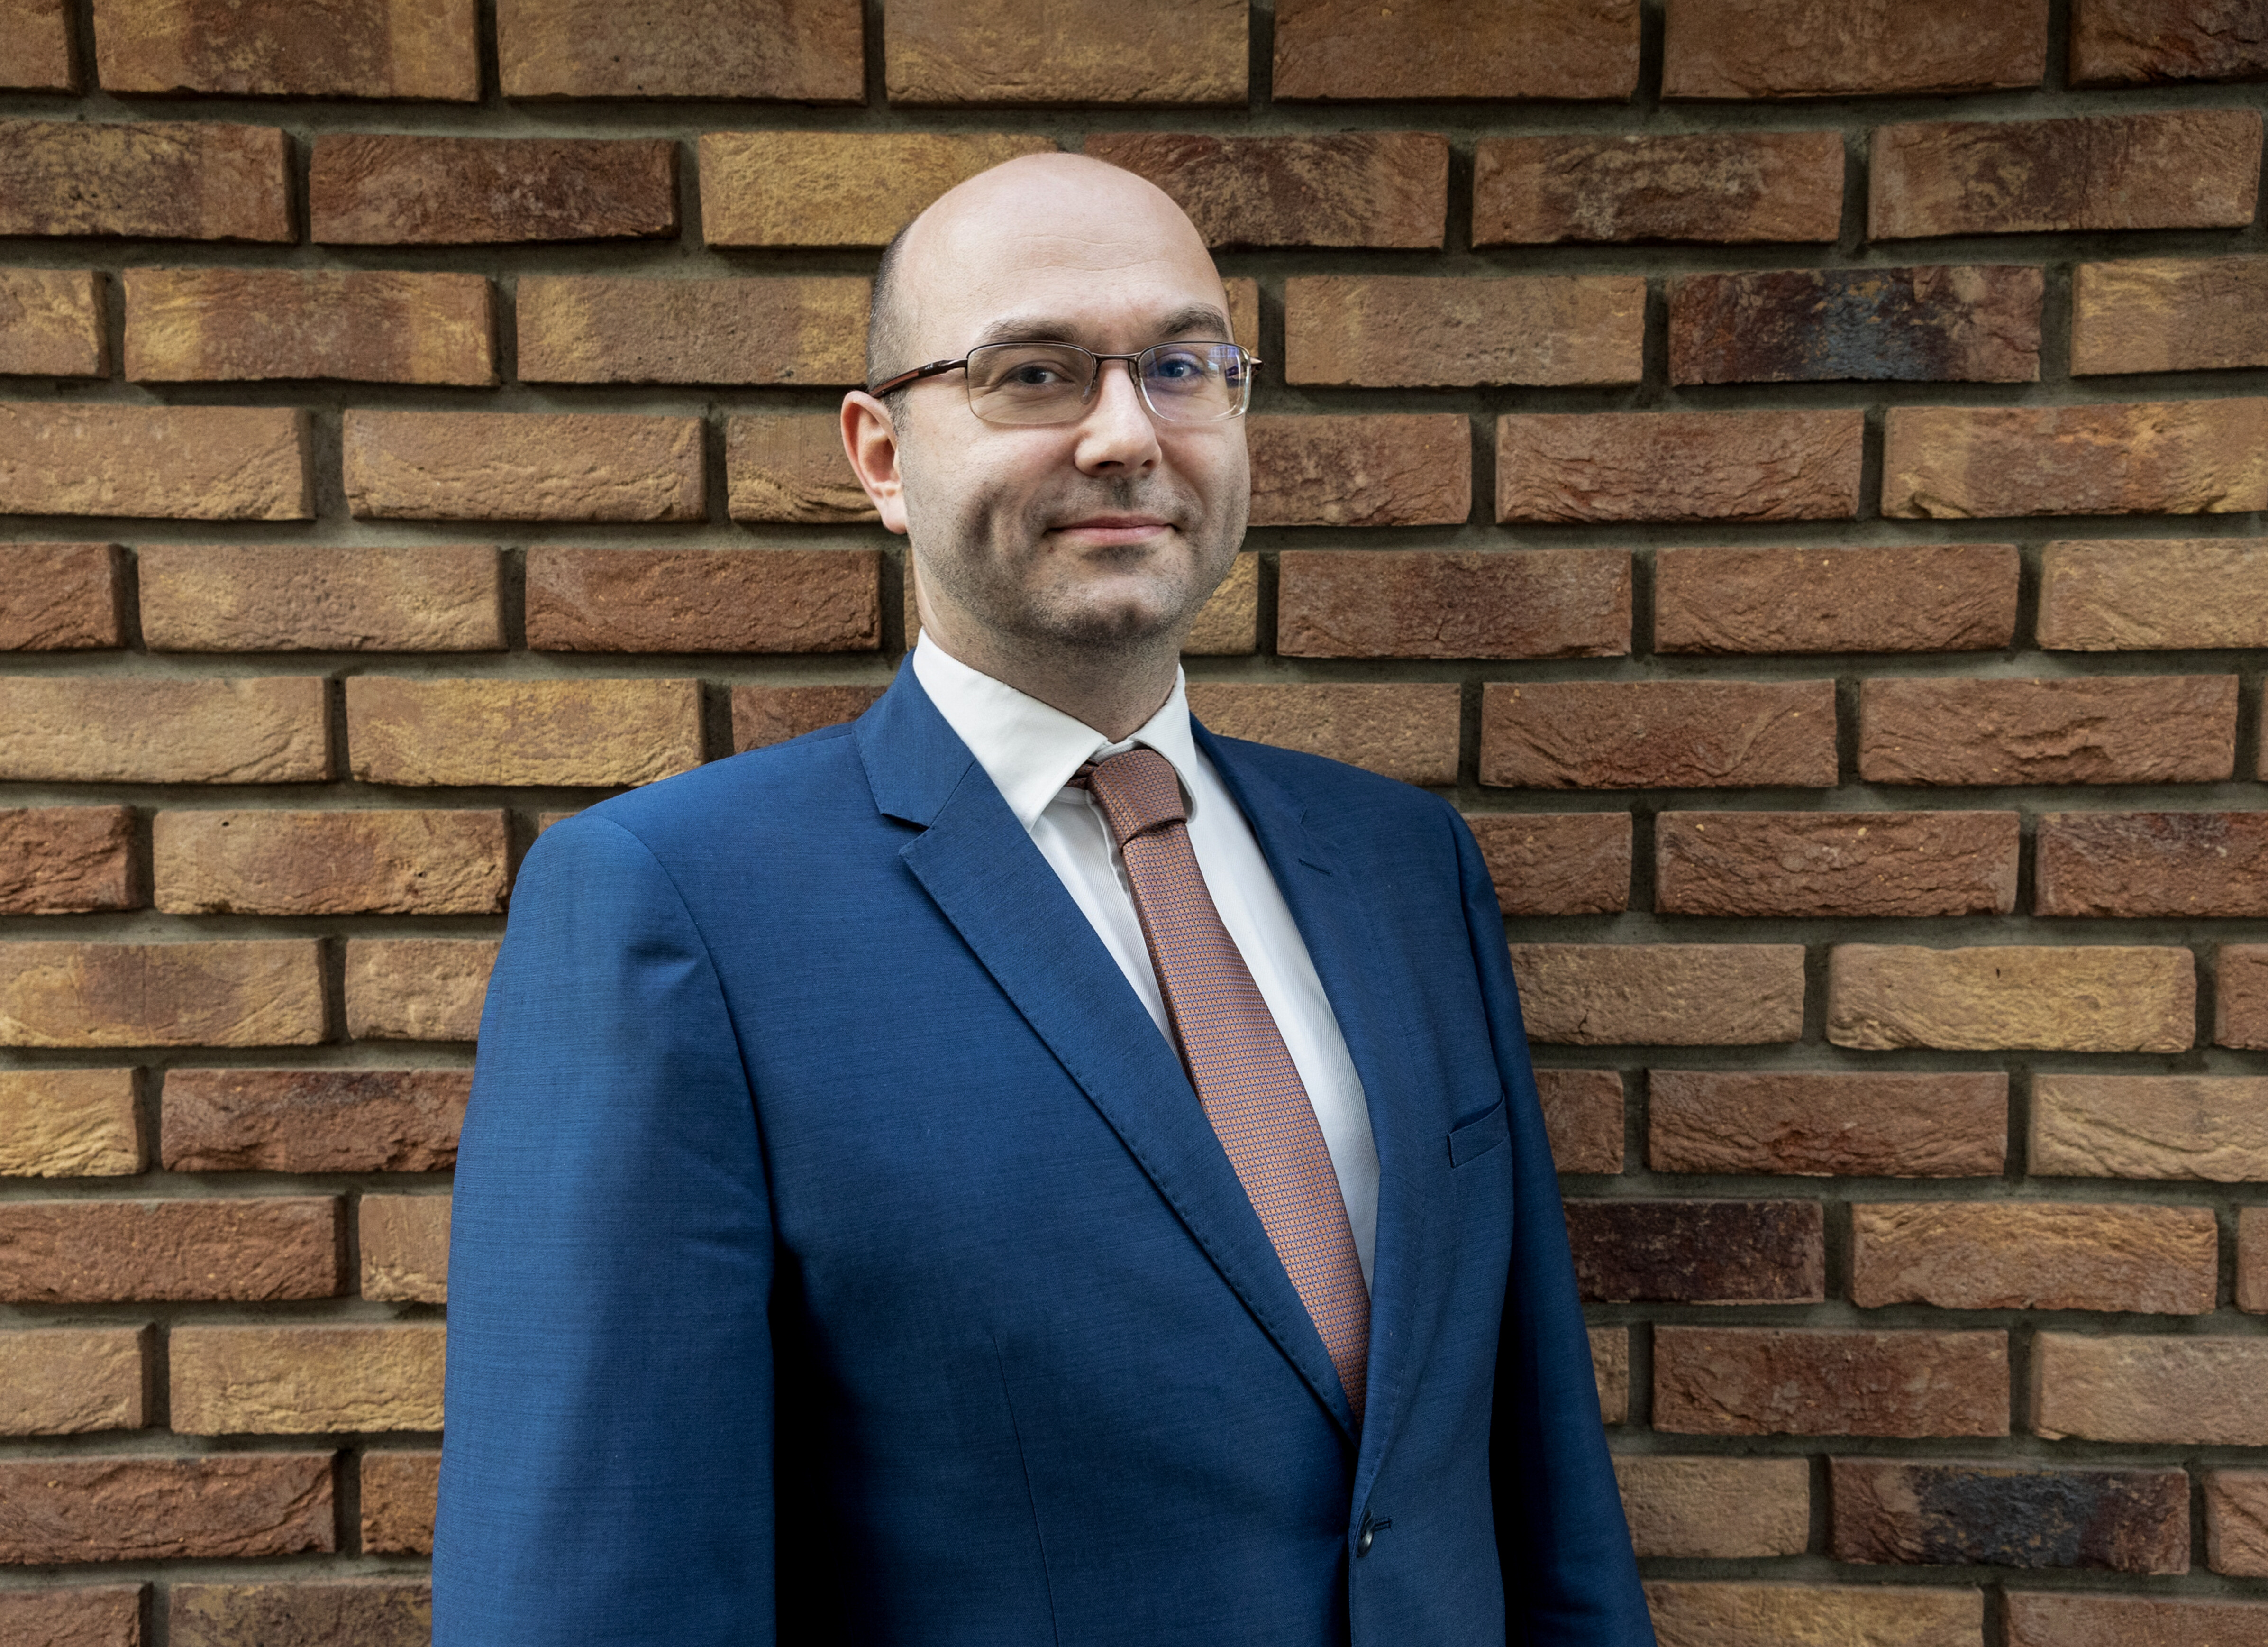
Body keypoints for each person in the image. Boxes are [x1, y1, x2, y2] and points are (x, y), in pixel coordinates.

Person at [433, 152, 1654, 1647]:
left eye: (1181, 367)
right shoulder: (675, 906)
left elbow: (1540, 1489)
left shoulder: (1402, 867)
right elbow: (594, 1587)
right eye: (1033, 373)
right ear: (882, 456)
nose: (1126, 435)